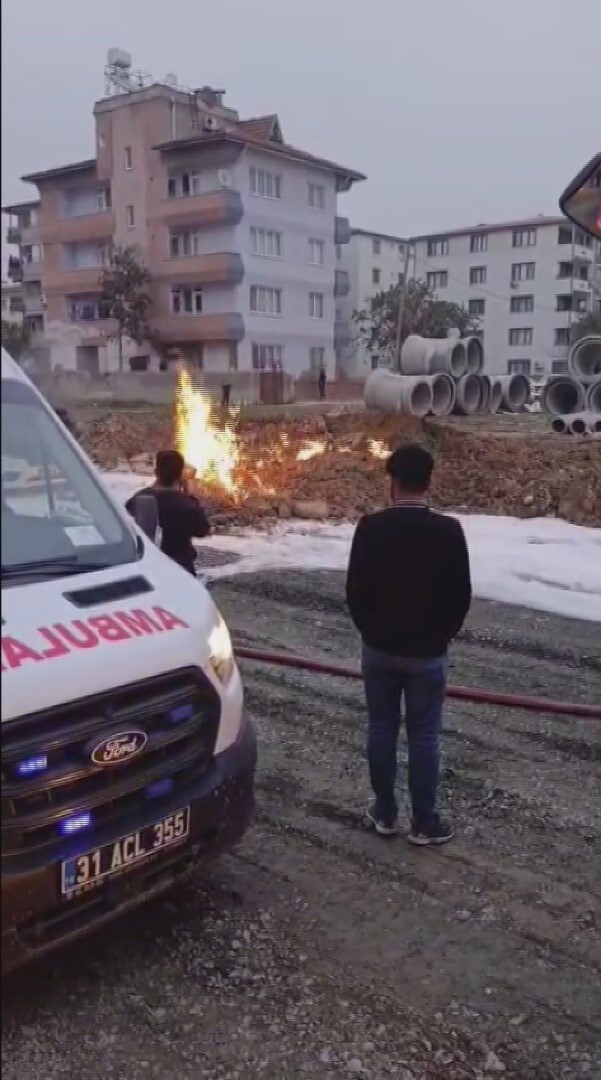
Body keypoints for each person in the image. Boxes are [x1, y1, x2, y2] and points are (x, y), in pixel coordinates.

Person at [346, 442, 472, 846]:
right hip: (428, 653)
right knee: (424, 737)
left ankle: (385, 812)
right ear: (428, 481)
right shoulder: (448, 531)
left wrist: (371, 631)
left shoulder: (370, 527)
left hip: (379, 650)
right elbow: (460, 594)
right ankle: (423, 822)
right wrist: (441, 635)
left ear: (393, 481)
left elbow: (355, 590)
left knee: (381, 730)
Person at [125, 449, 210, 576]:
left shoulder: (139, 499)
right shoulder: (187, 505)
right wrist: (190, 498)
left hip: (148, 568)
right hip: (181, 570)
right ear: (180, 474)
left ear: (156, 472)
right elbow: (202, 531)